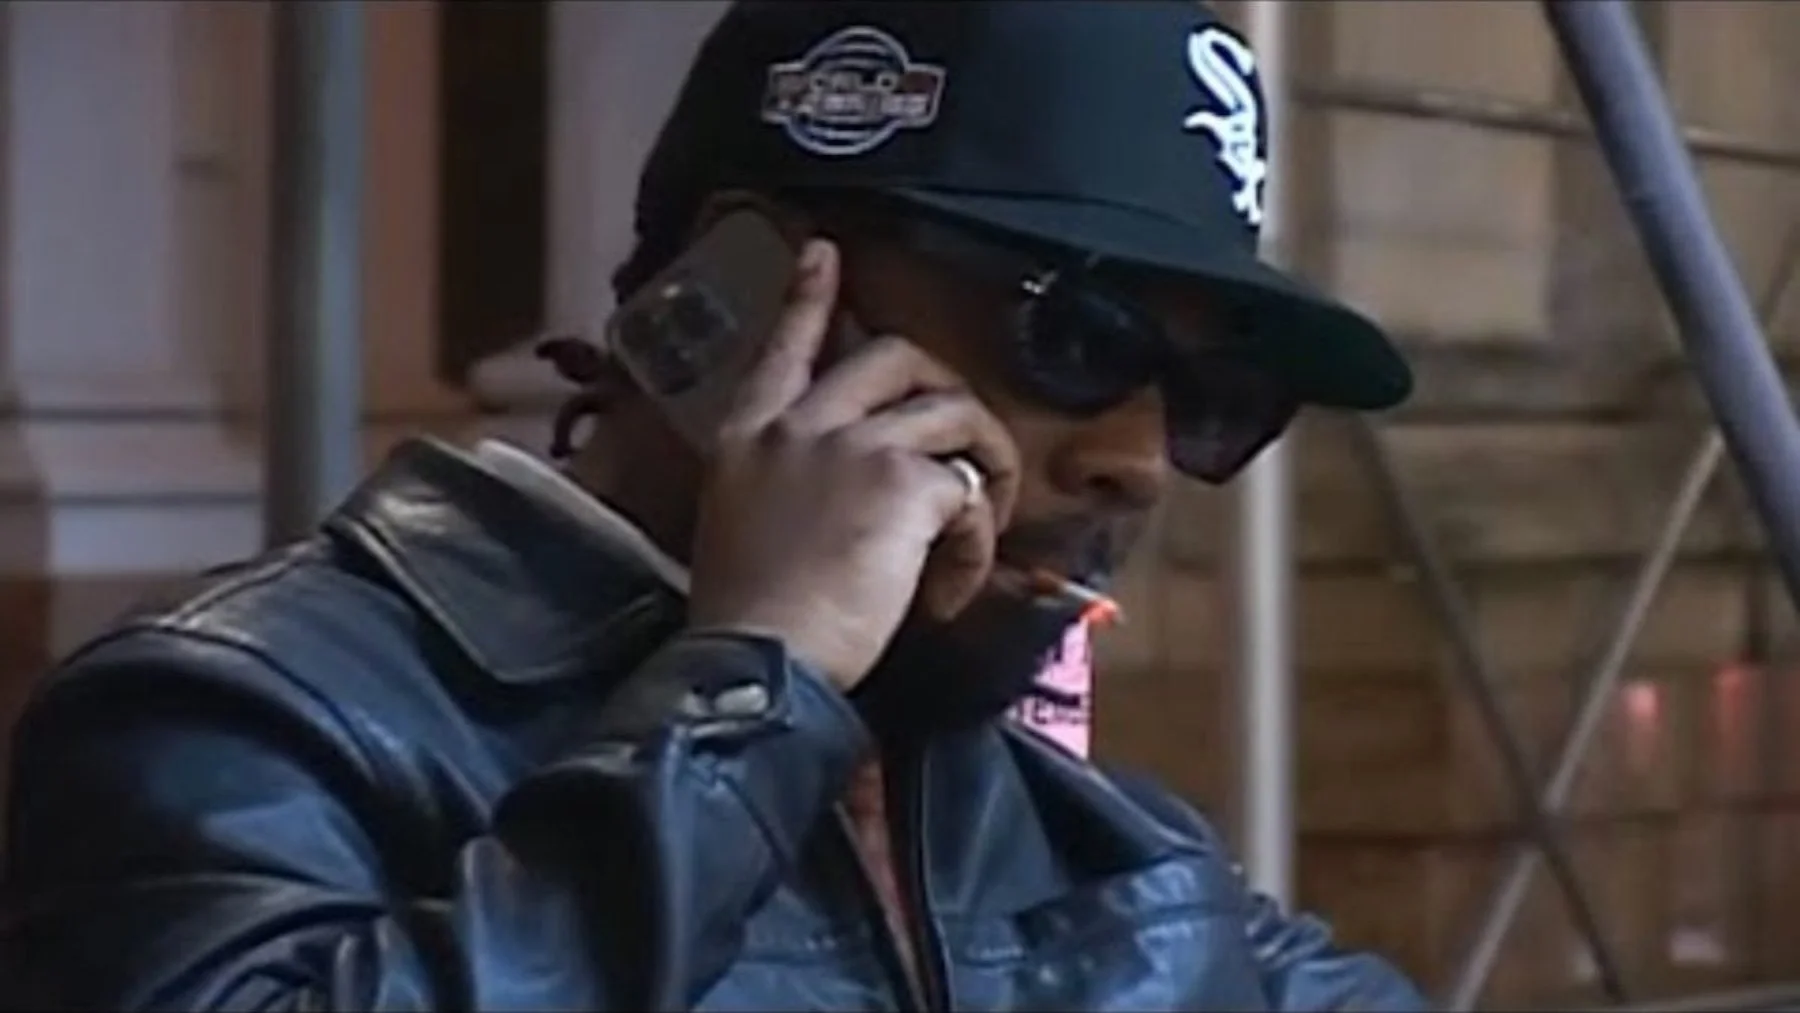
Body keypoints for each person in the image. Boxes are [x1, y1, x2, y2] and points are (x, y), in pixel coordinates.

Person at [0, 2, 1426, 1010]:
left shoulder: (1100, 847)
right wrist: (758, 685)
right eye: (1077, 337)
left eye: (1211, 400)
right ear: (736, 299)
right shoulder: (249, 715)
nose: (1142, 459)